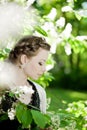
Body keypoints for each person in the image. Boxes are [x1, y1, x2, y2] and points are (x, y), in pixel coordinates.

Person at [0, 35, 51, 130]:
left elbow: (40, 124)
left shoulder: (40, 92)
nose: (44, 69)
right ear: (24, 59)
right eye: (40, 63)